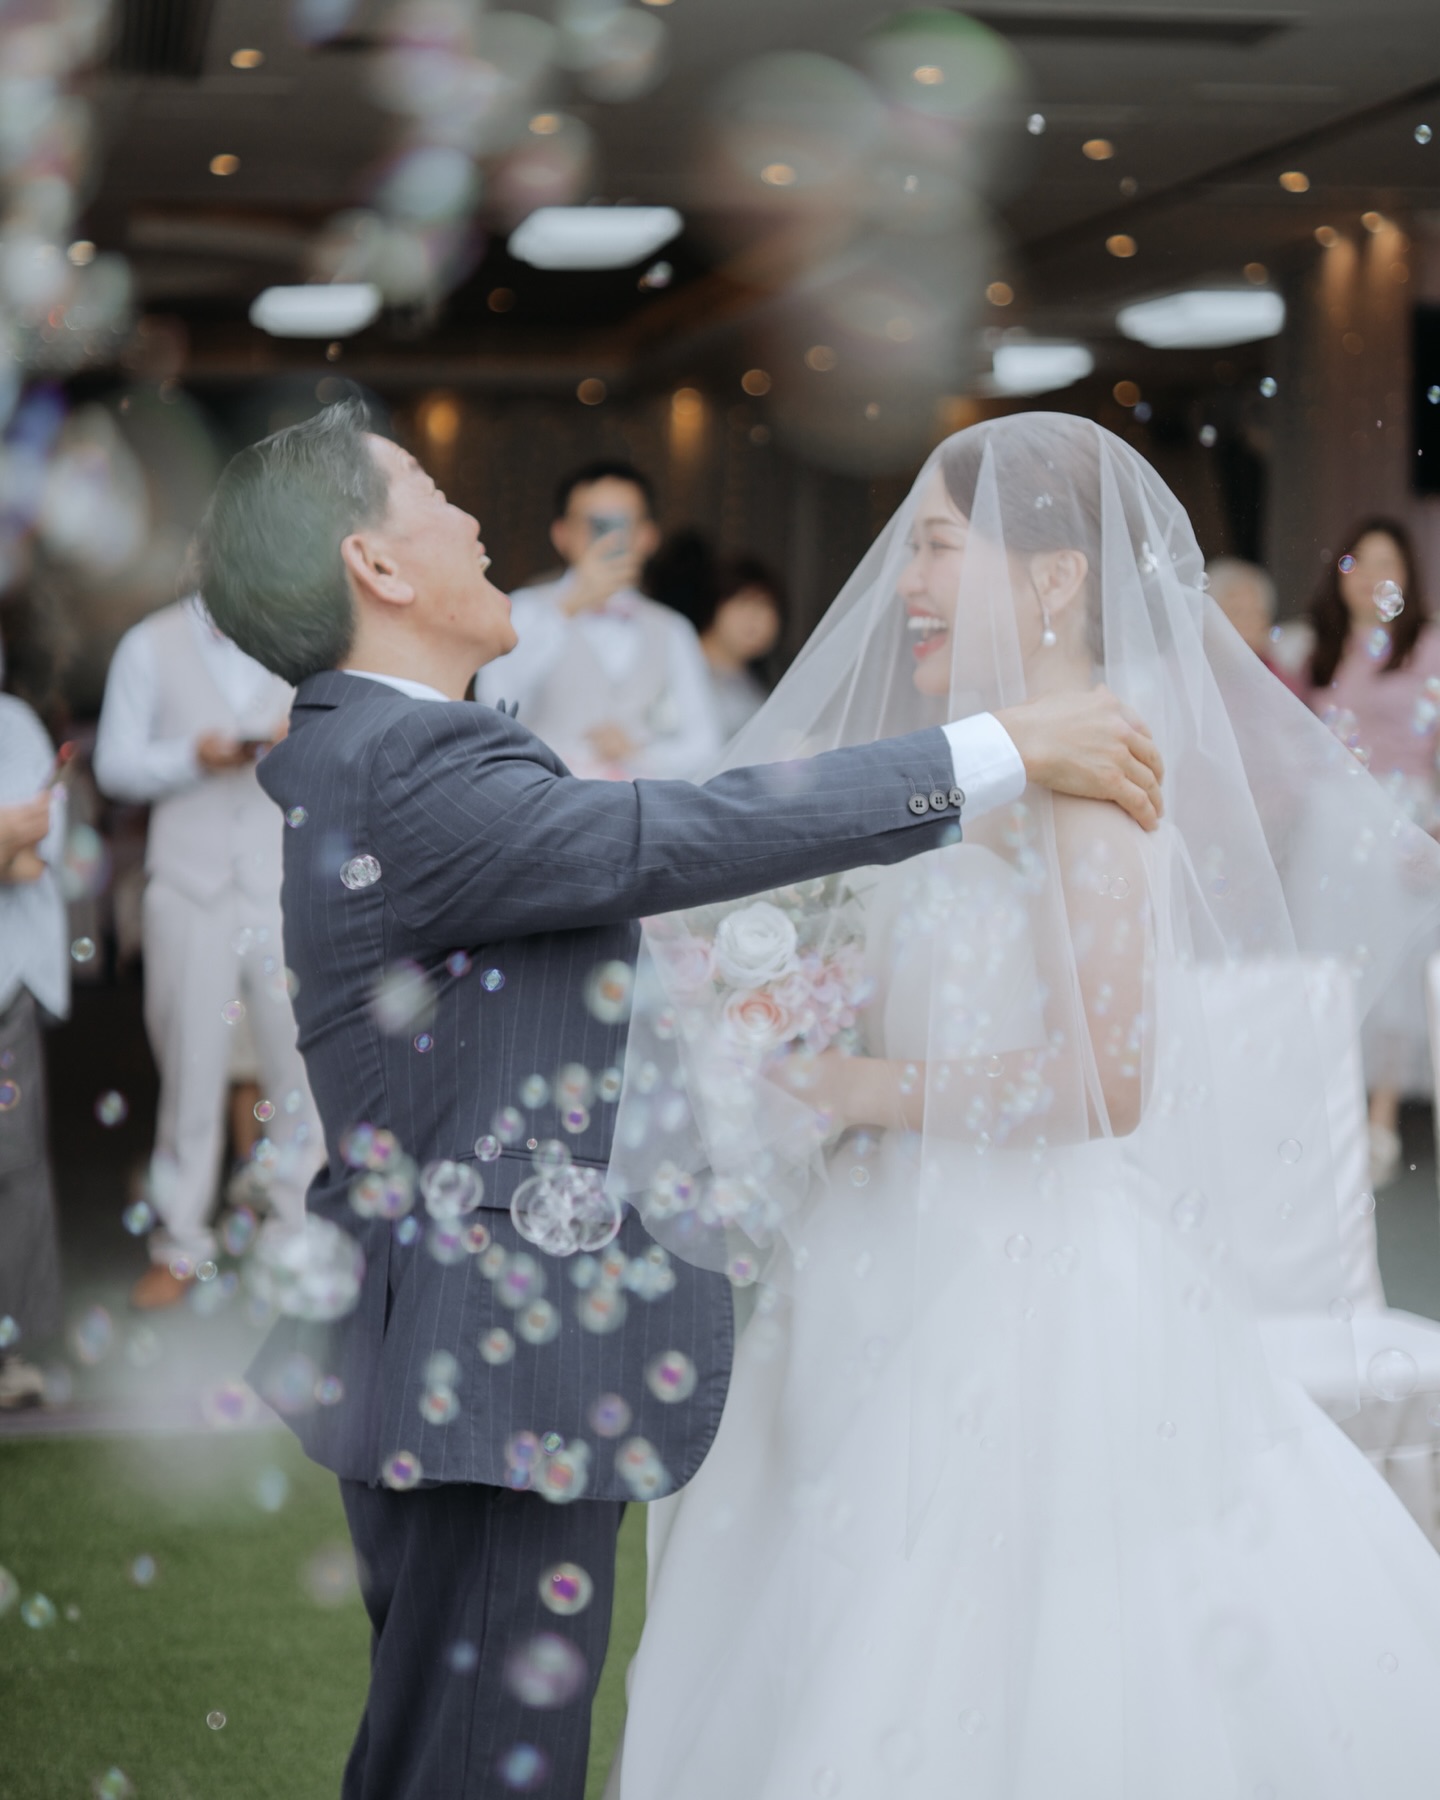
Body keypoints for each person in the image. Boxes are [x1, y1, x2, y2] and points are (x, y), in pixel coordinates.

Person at [193, 398, 1163, 1800]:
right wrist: (1005, 746)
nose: (476, 520)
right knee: (472, 1767)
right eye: (433, 494)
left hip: (467, 1339)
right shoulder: (403, 762)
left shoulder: (379, 751)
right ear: (377, 564)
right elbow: (675, 834)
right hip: (488, 1350)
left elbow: (550, 956)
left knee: (449, 1752)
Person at [607, 414, 1440, 1800]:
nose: (907, 582)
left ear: (1055, 579)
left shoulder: (1093, 781)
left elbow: (1107, 1081)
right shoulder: (959, 766)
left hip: (1015, 1280)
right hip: (874, 1249)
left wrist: (858, 1084)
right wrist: (784, 1006)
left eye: (938, 547)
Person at [93, 594, 323, 1308]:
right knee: (189, 1070)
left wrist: (298, 742)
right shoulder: (147, 643)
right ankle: (180, 1243)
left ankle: (295, 1235)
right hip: (188, 886)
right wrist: (190, 756)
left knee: (298, 1067)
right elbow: (114, 766)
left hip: (281, 880)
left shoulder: (305, 635)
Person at [1295, 518, 1440, 1187]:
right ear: (1343, 575)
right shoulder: (1317, 652)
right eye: (1364, 562)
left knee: (1396, 962)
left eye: (1392, 564)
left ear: (1407, 578)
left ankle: (1381, 1118)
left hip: (1402, 816)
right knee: (1334, 960)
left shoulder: (1428, 647)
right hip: (1330, 824)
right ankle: (1337, 1110)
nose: (1377, 576)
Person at [475, 462, 724, 778]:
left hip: (636, 801)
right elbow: (492, 702)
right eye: (593, 524)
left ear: (648, 537)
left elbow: (705, 744)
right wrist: (566, 609)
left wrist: (643, 755)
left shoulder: (672, 629)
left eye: (621, 523)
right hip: (539, 797)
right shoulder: (522, 609)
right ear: (561, 534)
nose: (607, 538)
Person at [0, 637, 68, 1409]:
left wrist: (13, 843)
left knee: (13, 1167)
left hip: (6, 979)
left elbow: (32, 857)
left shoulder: (13, 724)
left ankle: (7, 1352)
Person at [648, 528, 785, 743]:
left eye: (766, 608)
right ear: (714, 606)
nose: (755, 621)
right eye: (743, 604)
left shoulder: (755, 678)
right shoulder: (679, 664)